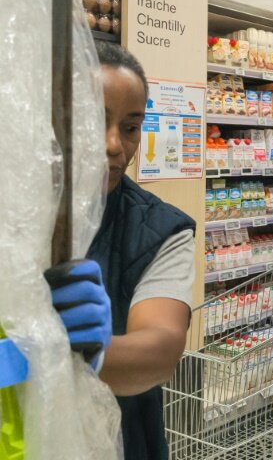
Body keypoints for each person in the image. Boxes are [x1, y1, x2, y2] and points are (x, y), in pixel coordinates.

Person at [47, 41, 196, 460]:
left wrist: (94, 350)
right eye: (94, 120)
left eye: (130, 127)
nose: (114, 145)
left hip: (120, 441)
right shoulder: (18, 212)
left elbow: (163, 347)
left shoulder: (161, 229)